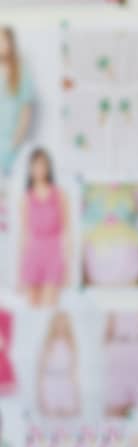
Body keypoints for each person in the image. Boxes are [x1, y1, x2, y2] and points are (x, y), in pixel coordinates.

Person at [21, 147, 67, 307]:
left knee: (49, 307)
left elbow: (67, 232)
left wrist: (67, 263)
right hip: (33, 254)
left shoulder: (59, 194)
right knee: (32, 308)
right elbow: (24, 234)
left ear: (48, 167)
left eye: (42, 164)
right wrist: (21, 268)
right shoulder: (27, 197)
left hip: (53, 254)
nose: (39, 169)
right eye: (35, 165)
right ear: (30, 168)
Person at [0, 25, 37, 177]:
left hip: (10, 142)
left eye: (3, 39)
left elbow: (26, 111)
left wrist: (15, 142)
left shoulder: (21, 71)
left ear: (10, 43)